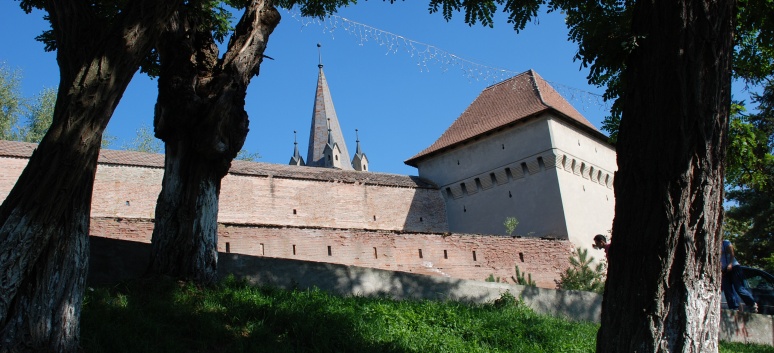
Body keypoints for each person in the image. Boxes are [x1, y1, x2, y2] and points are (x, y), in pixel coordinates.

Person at [721, 239, 758, 313]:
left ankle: (752, 303)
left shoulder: (725, 242)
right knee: (727, 290)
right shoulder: (713, 245)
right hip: (724, 270)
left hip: (734, 267)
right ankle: (734, 308)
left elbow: (732, 253)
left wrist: (730, 264)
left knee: (739, 288)